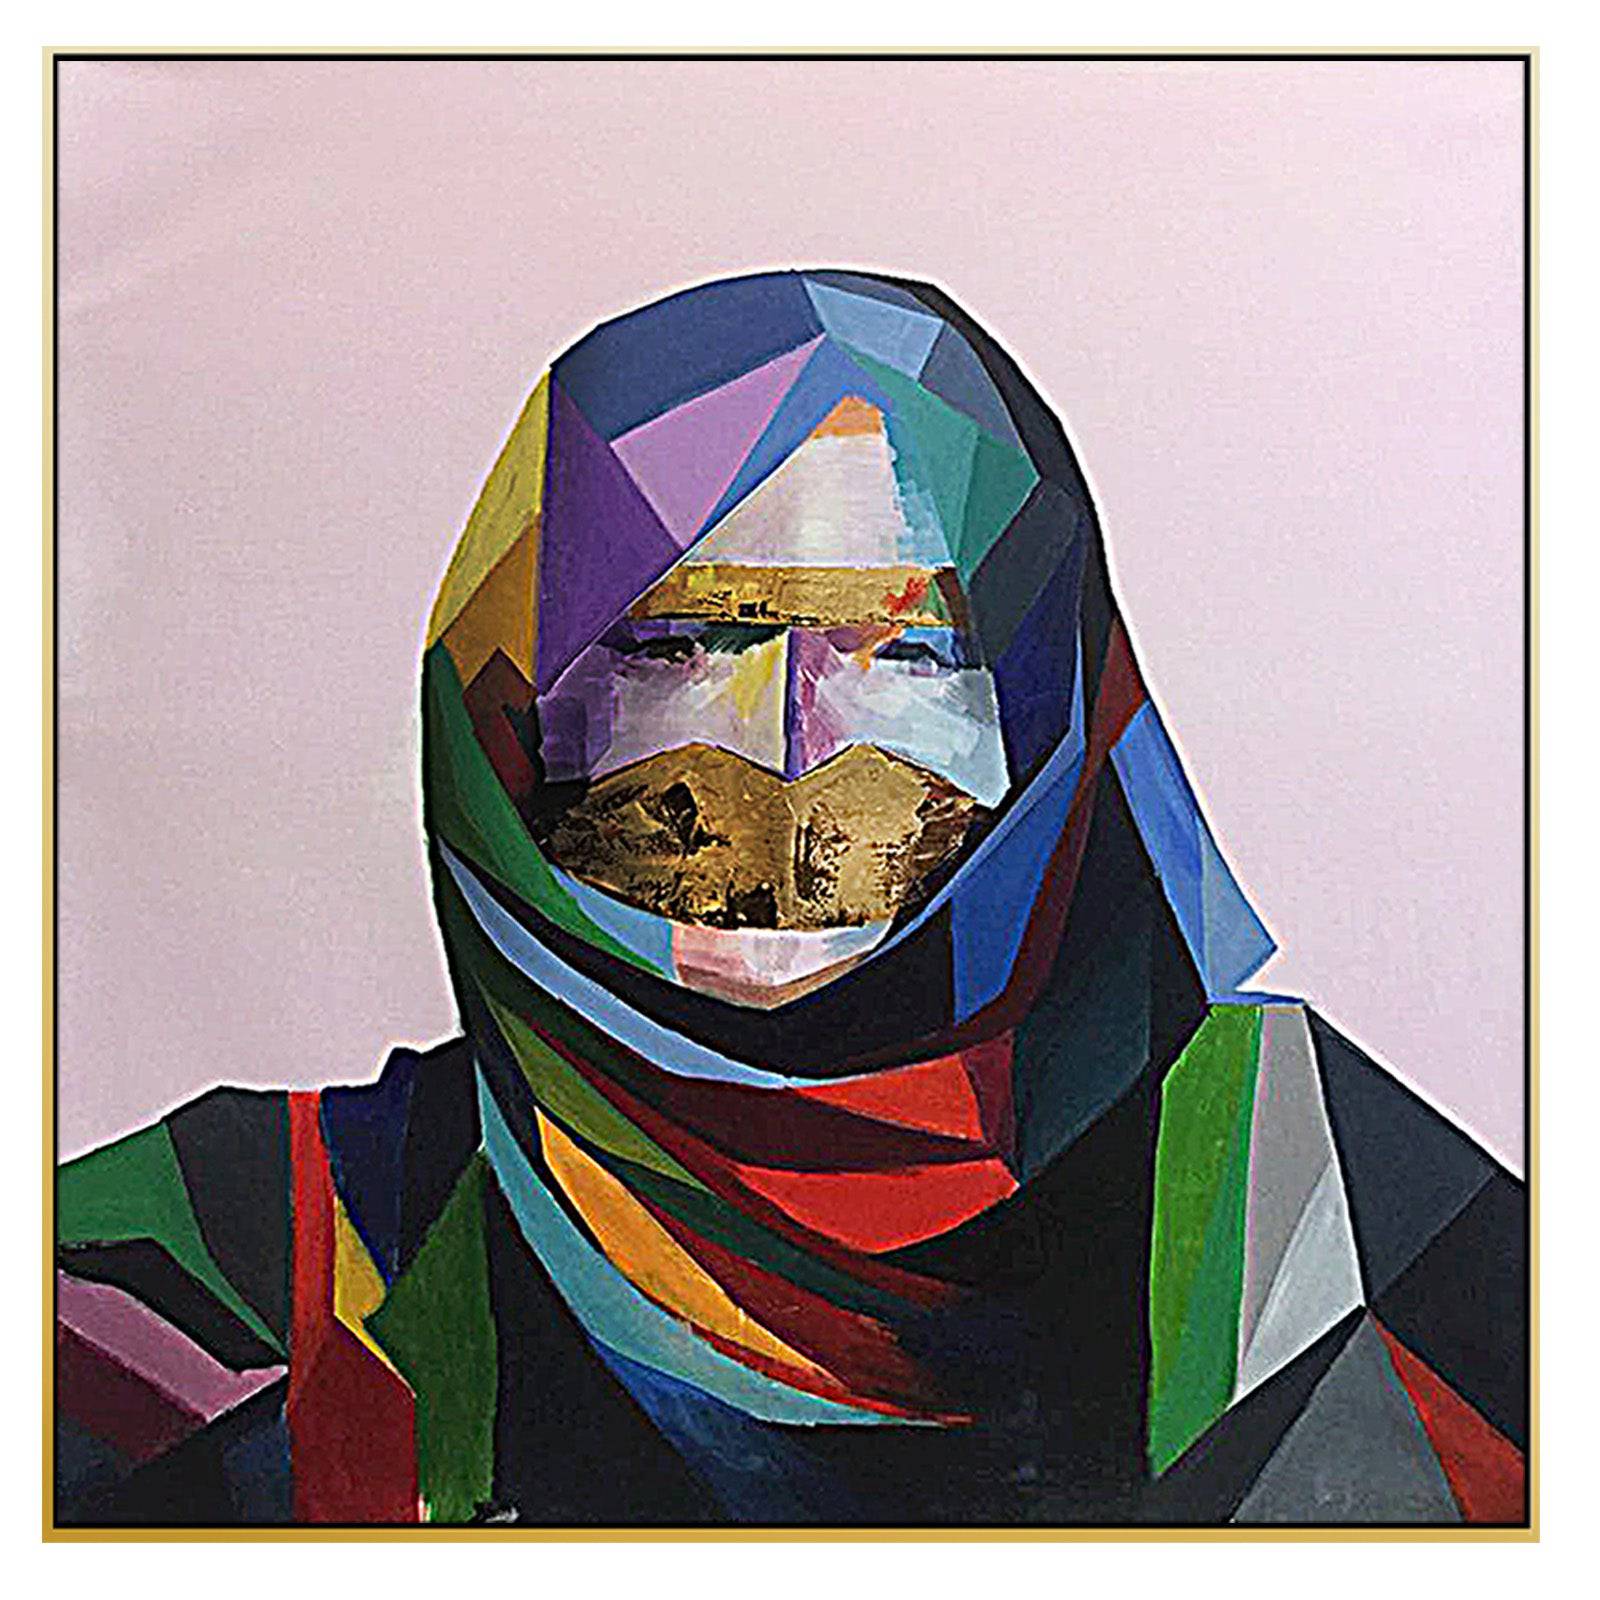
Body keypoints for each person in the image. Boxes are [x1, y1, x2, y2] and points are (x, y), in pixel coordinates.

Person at [55, 270, 1526, 1528]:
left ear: (1044, 713)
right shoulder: (278, 1252)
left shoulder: (1291, 1194)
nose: (779, 765)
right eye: (678, 651)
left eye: (898, 656)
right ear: (513, 728)